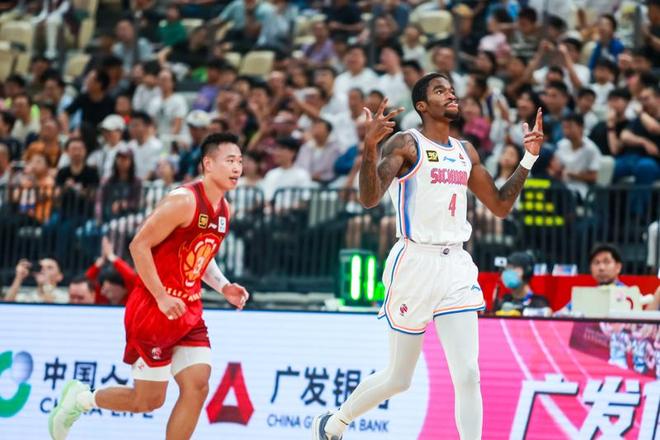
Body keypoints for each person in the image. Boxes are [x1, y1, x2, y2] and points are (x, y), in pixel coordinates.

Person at [313, 73, 544, 440]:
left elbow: (500, 206)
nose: (451, 95)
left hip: (456, 266)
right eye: (440, 91)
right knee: (399, 378)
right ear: (422, 105)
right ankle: (336, 421)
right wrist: (370, 146)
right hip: (414, 262)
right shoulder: (406, 143)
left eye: (451, 89)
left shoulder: (465, 151)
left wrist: (528, 158)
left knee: (468, 374)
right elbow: (369, 199)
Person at [48, 133, 250, 440]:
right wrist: (162, 296)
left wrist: (224, 287)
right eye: (230, 160)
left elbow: (201, 256)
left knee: (197, 386)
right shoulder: (183, 201)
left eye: (240, 161)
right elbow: (138, 245)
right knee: (148, 401)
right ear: (208, 164)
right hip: (154, 309)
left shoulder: (225, 210)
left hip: (188, 309)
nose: (237, 168)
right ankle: (81, 399)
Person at [494, 251, 549, 315]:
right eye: (506, 269)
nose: (506, 273)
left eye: (510, 268)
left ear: (525, 271)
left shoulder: (539, 303)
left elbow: (547, 313)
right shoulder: (504, 301)